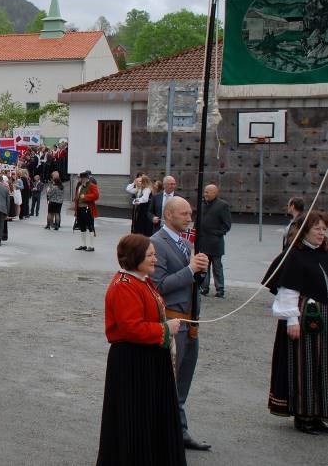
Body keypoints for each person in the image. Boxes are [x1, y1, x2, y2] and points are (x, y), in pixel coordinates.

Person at [96, 234, 185, 465]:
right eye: (151, 255)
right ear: (136, 257)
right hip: (133, 361)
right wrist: (165, 329)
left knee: (149, 416)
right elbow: (131, 329)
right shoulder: (124, 286)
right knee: (135, 417)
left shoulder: (141, 280)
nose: (155, 259)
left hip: (147, 358)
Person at [150, 196, 212, 451]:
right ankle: (165, 431)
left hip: (191, 320)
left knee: (184, 379)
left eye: (190, 214)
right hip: (173, 319)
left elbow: (193, 280)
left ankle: (179, 428)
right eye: (184, 214)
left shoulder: (187, 243)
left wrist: (200, 270)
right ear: (168, 215)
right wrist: (189, 270)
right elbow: (159, 285)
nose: (189, 218)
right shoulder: (156, 243)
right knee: (169, 379)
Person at [267, 211, 328, 434]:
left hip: (324, 316)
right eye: (318, 229)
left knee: (323, 366)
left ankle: (318, 413)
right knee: (306, 366)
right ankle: (303, 415)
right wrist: (291, 319)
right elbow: (287, 290)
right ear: (305, 231)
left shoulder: (323, 253)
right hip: (304, 317)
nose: (322, 233)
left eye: (324, 229)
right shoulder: (295, 255)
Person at [198, 184, 233, 298]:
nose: (205, 194)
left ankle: (220, 289)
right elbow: (197, 222)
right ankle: (204, 287)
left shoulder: (223, 205)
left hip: (215, 243)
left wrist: (216, 233)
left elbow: (227, 224)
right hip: (203, 242)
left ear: (215, 193)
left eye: (208, 192)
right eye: (205, 192)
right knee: (204, 267)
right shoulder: (202, 205)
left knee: (217, 267)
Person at [73, 171, 100, 252]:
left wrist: (85, 196)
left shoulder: (92, 186)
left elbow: (96, 195)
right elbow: (77, 196)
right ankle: (84, 245)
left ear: (87, 178)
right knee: (82, 227)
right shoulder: (79, 186)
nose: (82, 180)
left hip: (88, 209)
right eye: (81, 178)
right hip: (79, 208)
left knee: (90, 227)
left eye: (83, 178)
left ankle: (91, 246)